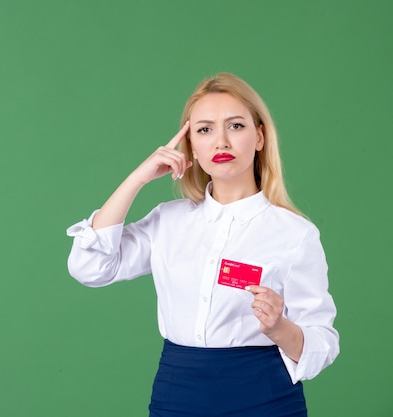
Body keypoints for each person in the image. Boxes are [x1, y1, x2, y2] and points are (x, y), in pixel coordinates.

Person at [66, 73, 339, 417]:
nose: (220, 142)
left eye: (236, 126)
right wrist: (138, 178)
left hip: (265, 397)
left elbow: (323, 342)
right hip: (177, 395)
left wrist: (280, 328)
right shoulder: (168, 221)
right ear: (191, 144)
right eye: (205, 129)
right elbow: (89, 267)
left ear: (259, 137)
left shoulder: (295, 233)